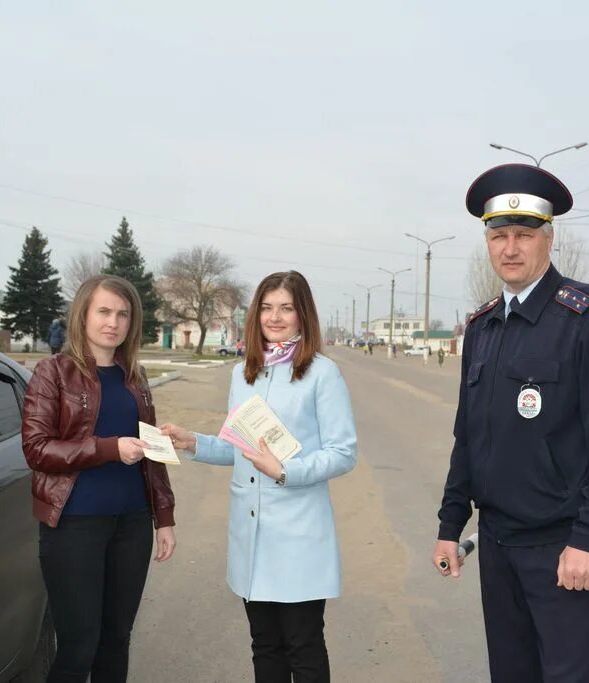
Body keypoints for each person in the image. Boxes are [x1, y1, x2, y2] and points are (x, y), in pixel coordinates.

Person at [432, 164, 589, 682]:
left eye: (523, 235)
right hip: (497, 545)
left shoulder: (586, 315)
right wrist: (450, 524)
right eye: (498, 235)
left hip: (562, 548)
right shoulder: (482, 327)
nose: (509, 248)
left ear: (548, 239)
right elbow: (470, 437)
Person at [160, 270, 356, 683]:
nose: (275, 317)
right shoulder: (243, 373)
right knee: (263, 645)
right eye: (267, 307)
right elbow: (241, 449)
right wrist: (192, 441)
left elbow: (343, 453)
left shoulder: (321, 373)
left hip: (299, 535)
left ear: (303, 314)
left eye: (286, 308)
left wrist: (286, 471)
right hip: (252, 535)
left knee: (302, 647)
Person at [21, 274, 177, 683]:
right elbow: (36, 449)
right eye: (104, 311)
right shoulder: (52, 372)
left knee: (116, 639)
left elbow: (151, 454)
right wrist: (108, 448)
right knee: (78, 646)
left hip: (132, 525)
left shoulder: (135, 378)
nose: (114, 322)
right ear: (83, 316)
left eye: (123, 314)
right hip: (74, 526)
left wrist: (165, 517)